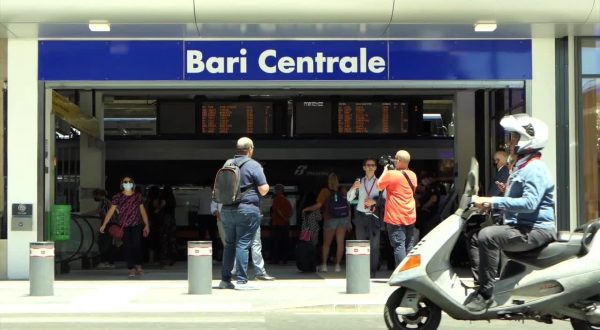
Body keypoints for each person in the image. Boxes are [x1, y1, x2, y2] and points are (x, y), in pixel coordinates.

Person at [465, 114, 557, 312]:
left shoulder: (535, 168)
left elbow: (530, 204)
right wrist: (491, 205)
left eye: (514, 137)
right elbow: (518, 199)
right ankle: (497, 292)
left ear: (526, 140)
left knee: (487, 236)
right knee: (475, 237)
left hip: (536, 230)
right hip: (524, 226)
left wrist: (493, 200)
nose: (510, 142)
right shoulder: (522, 167)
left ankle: (485, 294)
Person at [218, 137, 270, 290]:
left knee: (229, 244)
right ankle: (242, 281)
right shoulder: (254, 165)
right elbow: (263, 189)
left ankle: (225, 280)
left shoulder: (228, 163)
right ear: (250, 149)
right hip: (247, 209)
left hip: (227, 209)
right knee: (243, 244)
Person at [100, 176, 150, 278]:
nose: (127, 183)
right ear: (122, 184)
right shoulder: (117, 196)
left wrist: (147, 225)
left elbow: (142, 211)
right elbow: (111, 211)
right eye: (125, 182)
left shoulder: (138, 196)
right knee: (127, 247)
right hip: (124, 226)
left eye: (129, 182)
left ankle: (138, 264)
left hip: (136, 224)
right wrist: (104, 224)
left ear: (133, 184)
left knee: (136, 245)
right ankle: (131, 268)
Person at [302, 172, 351, 273]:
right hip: (343, 218)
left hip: (330, 219)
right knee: (340, 243)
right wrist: (349, 221)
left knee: (326, 244)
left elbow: (319, 205)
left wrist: (306, 209)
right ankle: (337, 266)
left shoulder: (325, 191)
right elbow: (348, 206)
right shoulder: (343, 190)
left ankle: (324, 265)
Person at [377, 150, 418, 267]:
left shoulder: (391, 174)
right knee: (409, 246)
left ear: (398, 161)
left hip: (395, 217)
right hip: (409, 215)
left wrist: (386, 170)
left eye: (395, 159)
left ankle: (402, 275)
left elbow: (379, 185)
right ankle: (410, 273)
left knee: (399, 245)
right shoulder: (413, 175)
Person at [347, 158, 383, 278]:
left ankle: (372, 271)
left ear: (376, 168)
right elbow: (350, 199)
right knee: (361, 244)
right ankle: (362, 270)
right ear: (364, 167)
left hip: (374, 215)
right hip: (361, 215)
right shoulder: (359, 182)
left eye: (373, 165)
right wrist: (353, 188)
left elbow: (386, 199)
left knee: (374, 245)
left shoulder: (380, 182)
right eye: (368, 165)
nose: (370, 167)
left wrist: (375, 201)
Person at [89, 189, 116, 269]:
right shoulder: (107, 201)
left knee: (103, 242)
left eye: (95, 195)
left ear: (99, 195)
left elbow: (98, 211)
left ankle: (104, 261)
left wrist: (85, 213)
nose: (94, 197)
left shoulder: (104, 202)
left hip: (107, 224)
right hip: (109, 224)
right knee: (108, 243)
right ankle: (109, 262)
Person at [270, 184, 293, 265]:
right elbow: (291, 212)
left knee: (276, 242)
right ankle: (284, 260)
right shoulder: (286, 200)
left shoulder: (277, 199)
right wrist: (287, 219)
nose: (275, 191)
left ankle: (275, 260)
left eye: (276, 190)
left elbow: (277, 210)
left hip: (278, 224)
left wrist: (282, 217)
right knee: (285, 242)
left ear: (278, 190)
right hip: (286, 224)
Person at [159, 185, 177, 266]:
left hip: (165, 220)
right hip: (172, 220)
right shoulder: (172, 198)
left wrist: (157, 210)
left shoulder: (164, 197)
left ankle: (164, 259)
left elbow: (162, 205)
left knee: (164, 239)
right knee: (172, 239)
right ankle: (172, 258)